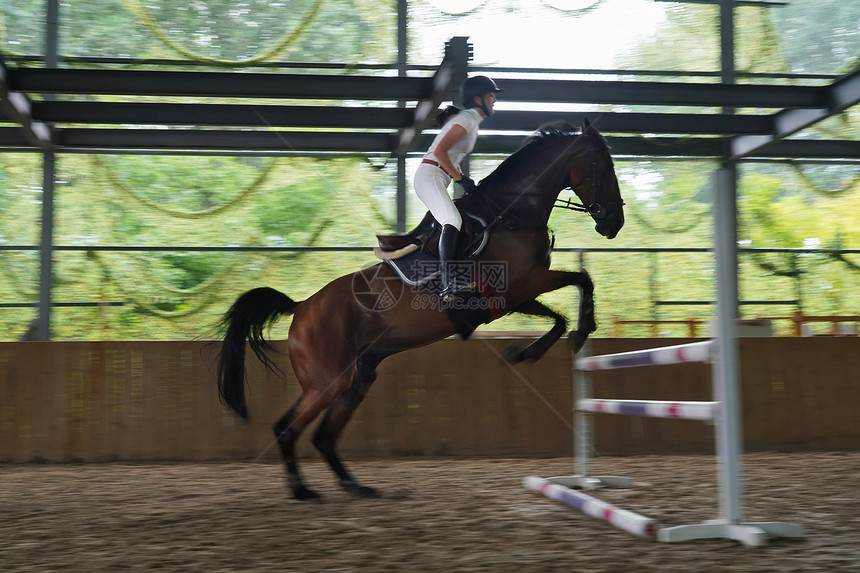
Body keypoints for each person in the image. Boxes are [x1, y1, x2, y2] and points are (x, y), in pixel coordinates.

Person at [413, 75, 503, 300]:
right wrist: (461, 179)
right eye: (491, 95)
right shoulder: (467, 120)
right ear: (478, 98)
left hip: (438, 175)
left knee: (460, 220)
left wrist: (463, 178)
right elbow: (441, 153)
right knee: (452, 221)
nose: (494, 100)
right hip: (431, 174)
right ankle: (447, 285)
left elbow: (450, 156)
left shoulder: (470, 121)